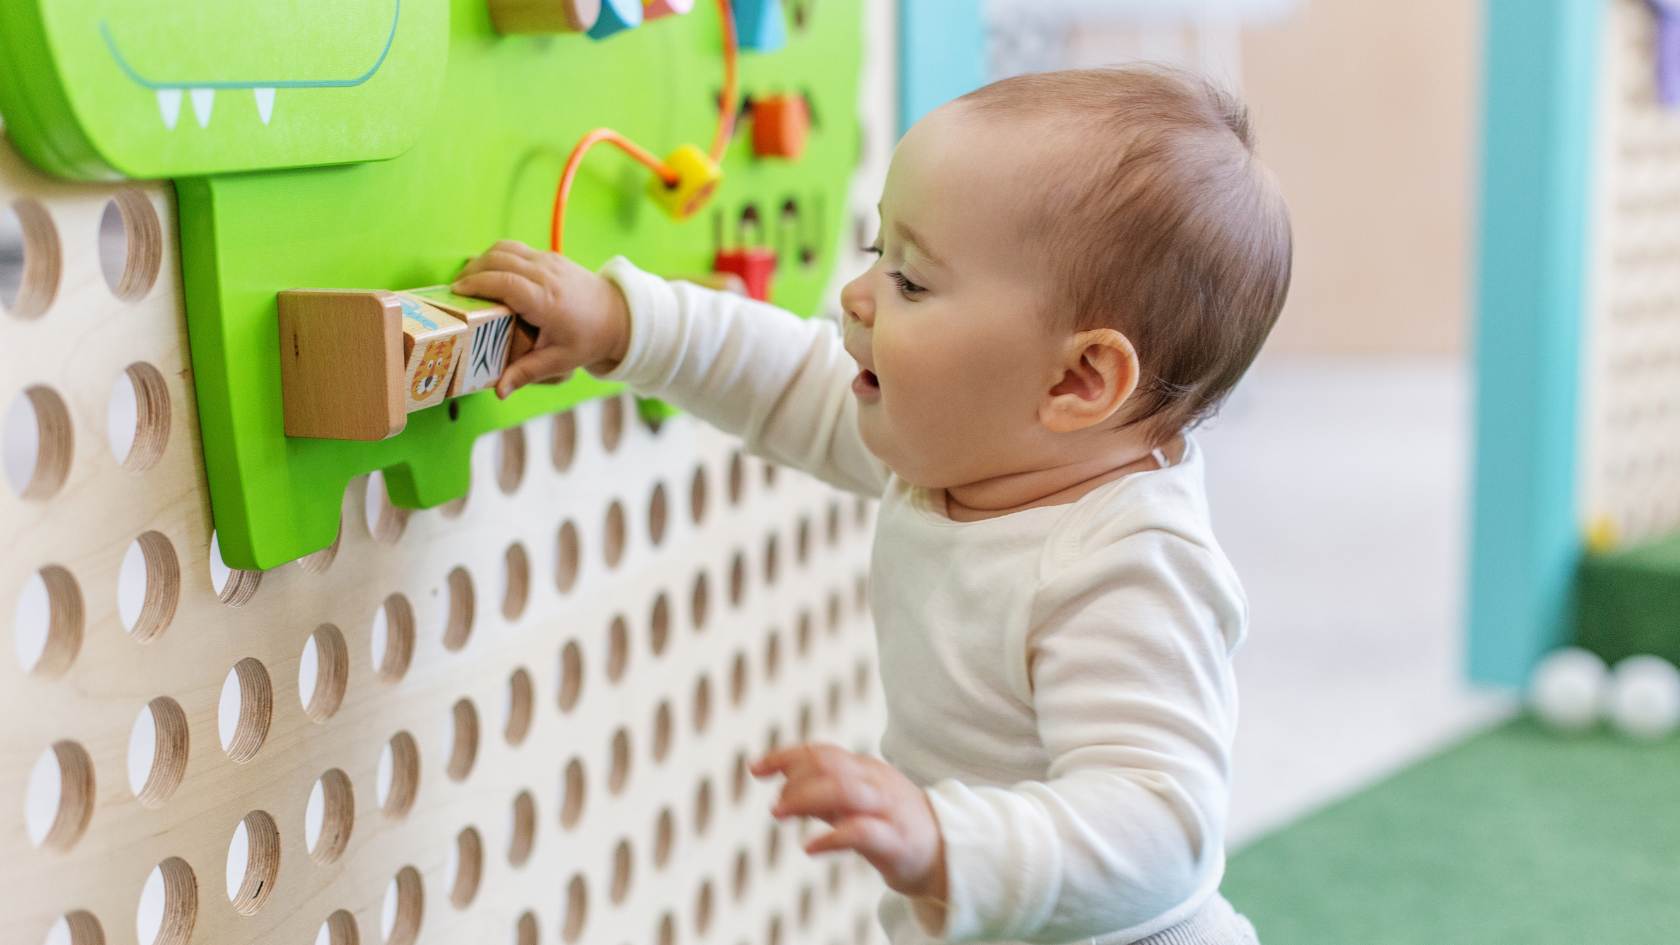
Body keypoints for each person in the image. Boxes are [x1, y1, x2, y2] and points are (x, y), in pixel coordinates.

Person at [452, 64, 1292, 945]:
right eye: (875, 255)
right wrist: (628, 325)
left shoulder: (1128, 561)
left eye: (913, 282)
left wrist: (946, 840)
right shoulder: (968, 445)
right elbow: (784, 376)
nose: (858, 298)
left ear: (1079, 379)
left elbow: (1163, 829)